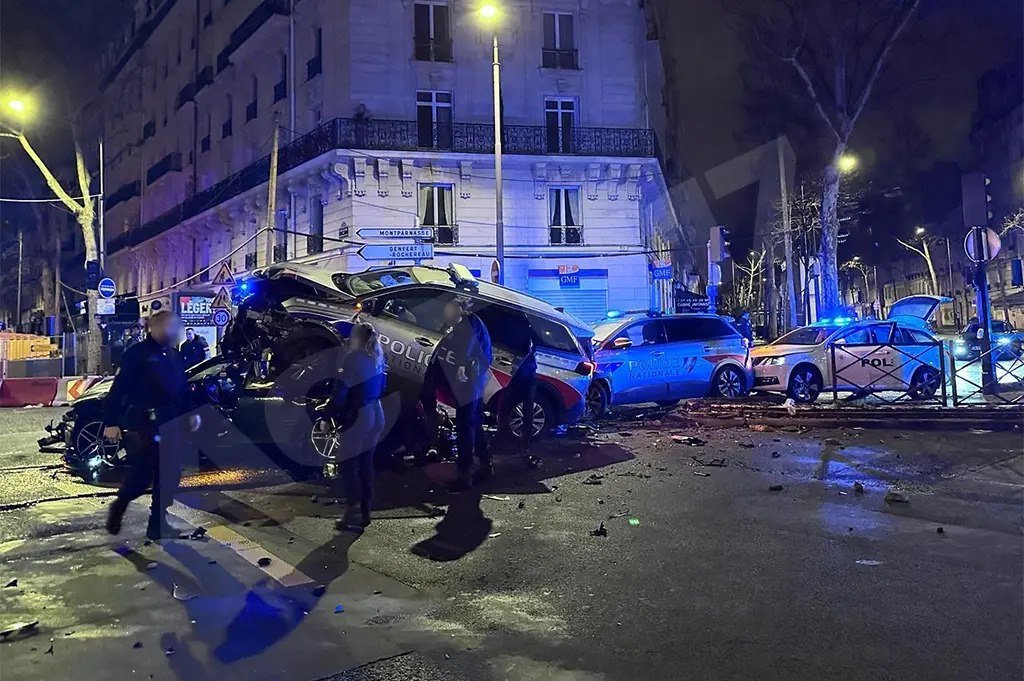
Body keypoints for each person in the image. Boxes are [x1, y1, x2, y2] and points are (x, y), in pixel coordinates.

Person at [103, 311, 201, 541]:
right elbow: (119, 389)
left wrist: (190, 414)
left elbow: (180, 389)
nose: (175, 331)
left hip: (171, 423)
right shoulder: (137, 354)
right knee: (142, 474)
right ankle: (120, 504)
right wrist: (112, 422)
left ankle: (157, 523)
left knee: (170, 475)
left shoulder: (172, 354)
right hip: (146, 424)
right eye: (170, 327)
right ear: (154, 328)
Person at [432, 299, 493, 491]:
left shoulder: (468, 322)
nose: (446, 318)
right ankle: (485, 465)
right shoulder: (469, 322)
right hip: (474, 379)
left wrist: (460, 367)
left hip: (470, 380)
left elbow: (467, 345)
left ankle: (464, 474)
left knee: (465, 424)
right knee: (473, 422)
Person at [334, 322, 386, 531]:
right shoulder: (377, 358)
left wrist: (328, 414)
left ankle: (351, 511)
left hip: (359, 415)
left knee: (348, 464)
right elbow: (382, 387)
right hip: (376, 413)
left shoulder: (353, 358)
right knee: (366, 463)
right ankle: (365, 511)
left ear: (356, 338)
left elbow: (341, 390)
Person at [501, 310, 540, 467]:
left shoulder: (514, 332)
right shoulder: (530, 331)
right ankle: (524, 442)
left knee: (508, 405)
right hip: (528, 373)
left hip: (519, 374)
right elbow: (535, 347)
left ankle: (506, 438)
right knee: (527, 409)